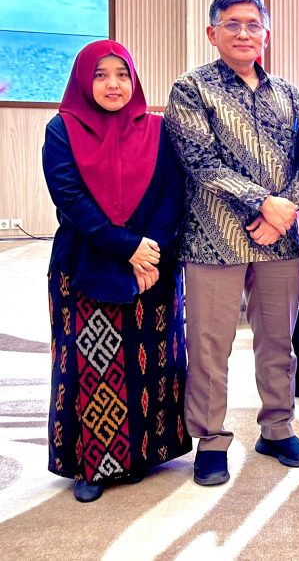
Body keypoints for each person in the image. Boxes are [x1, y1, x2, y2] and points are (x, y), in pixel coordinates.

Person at [164, 0, 299, 486]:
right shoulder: (191, 89)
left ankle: (278, 427)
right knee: (210, 344)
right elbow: (200, 162)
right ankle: (210, 439)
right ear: (213, 33)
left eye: (253, 24)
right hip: (213, 236)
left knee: (279, 340)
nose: (244, 33)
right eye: (232, 24)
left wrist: (281, 213)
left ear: (266, 34)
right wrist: (264, 202)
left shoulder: (290, 94)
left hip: (279, 240)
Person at [42, 41, 190, 502]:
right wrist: (129, 248)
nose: (113, 84)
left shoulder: (158, 130)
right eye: (101, 75)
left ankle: (145, 452)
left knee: (152, 360)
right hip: (87, 262)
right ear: (83, 81)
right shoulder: (62, 130)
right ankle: (91, 464)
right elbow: (71, 201)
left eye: (122, 75)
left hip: (152, 265)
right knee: (92, 364)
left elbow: (173, 195)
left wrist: (152, 252)